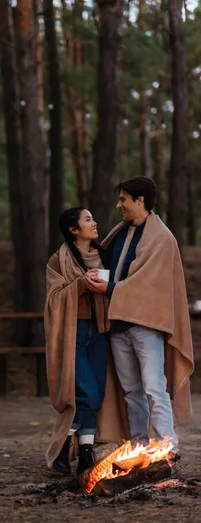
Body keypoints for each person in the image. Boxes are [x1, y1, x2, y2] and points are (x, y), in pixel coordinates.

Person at [85, 176, 194, 458]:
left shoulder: (161, 238)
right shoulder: (119, 234)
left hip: (146, 326)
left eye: (123, 199)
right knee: (131, 391)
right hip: (118, 325)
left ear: (140, 200)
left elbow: (148, 284)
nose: (119, 205)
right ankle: (138, 446)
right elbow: (111, 269)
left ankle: (167, 447)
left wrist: (108, 287)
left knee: (154, 388)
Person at [44, 207, 129, 476]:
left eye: (93, 218)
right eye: (88, 219)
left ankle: (85, 453)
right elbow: (53, 299)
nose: (94, 223)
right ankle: (60, 448)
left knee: (97, 396)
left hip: (100, 331)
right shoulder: (59, 259)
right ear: (73, 229)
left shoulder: (103, 256)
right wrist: (80, 286)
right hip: (74, 332)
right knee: (86, 393)